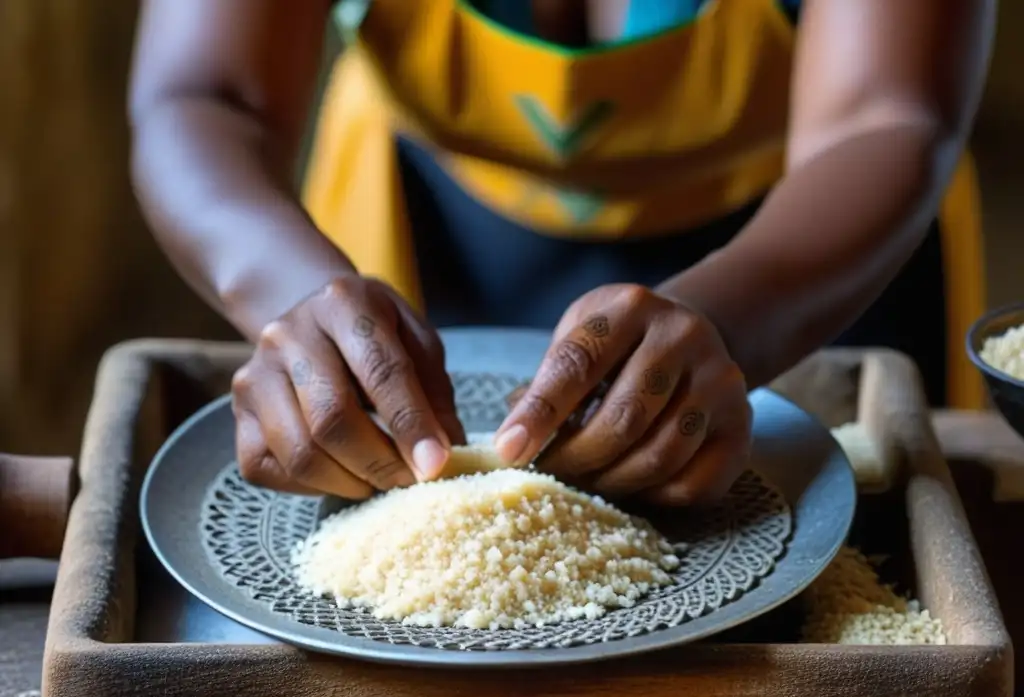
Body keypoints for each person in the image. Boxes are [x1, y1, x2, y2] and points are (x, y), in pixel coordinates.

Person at [128, 0, 995, 505]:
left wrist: (729, 327)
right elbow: (206, 95)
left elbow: (883, 117)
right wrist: (294, 295)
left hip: (810, 254)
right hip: (420, 231)